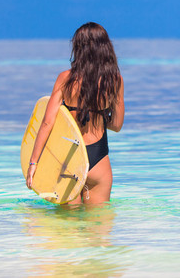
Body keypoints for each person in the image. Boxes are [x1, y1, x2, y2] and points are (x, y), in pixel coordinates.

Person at [26, 22, 124, 204]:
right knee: (99, 228)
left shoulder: (65, 78)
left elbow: (47, 123)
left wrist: (33, 163)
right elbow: (117, 125)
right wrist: (100, 116)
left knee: (68, 230)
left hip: (69, 160)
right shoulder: (115, 81)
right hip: (99, 162)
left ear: (78, 48)